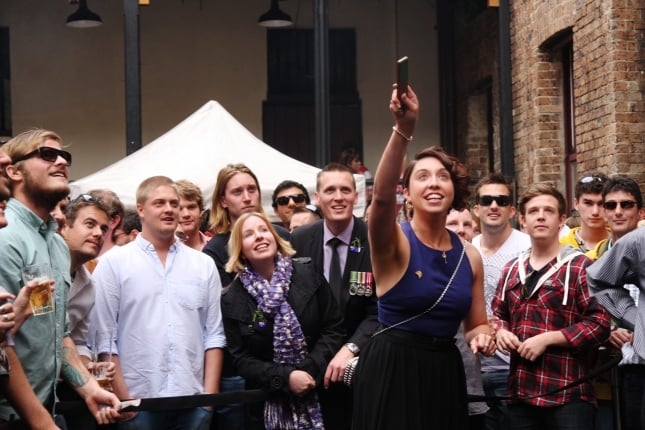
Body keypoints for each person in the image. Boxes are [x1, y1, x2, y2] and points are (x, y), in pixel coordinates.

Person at [351, 84, 494, 430]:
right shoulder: (394, 241)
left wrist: (483, 337)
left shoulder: (470, 256)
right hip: (393, 368)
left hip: (445, 371)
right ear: (408, 192)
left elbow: (476, 324)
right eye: (422, 176)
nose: (433, 183)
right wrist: (403, 130)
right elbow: (382, 201)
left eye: (443, 177)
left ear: (453, 191)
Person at [0, 129, 120, 428]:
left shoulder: (55, 243)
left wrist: (90, 389)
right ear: (14, 171)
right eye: (47, 154)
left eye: (64, 156)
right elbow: (2, 344)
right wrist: (41, 422)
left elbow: (56, 329)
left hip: (44, 408)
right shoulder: (6, 233)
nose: (61, 162)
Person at [91, 176, 225, 430]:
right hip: (138, 405)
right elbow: (103, 337)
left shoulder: (202, 264)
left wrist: (209, 400)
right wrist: (126, 401)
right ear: (140, 210)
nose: (169, 209)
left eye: (174, 203)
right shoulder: (114, 263)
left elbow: (214, 335)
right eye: (159, 203)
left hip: (192, 401)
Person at [491, 182, 611, 429]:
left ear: (562, 219)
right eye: (534, 211)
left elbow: (600, 323)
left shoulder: (582, 267)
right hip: (521, 393)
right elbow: (498, 313)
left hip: (569, 394)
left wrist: (549, 339)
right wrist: (501, 331)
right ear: (522, 221)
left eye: (549, 210)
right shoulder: (511, 269)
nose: (541, 216)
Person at [221, 212, 345, 429]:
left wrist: (307, 370)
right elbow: (240, 359)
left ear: (274, 236)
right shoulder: (232, 298)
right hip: (267, 403)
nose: (259, 237)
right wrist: (286, 378)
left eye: (263, 229)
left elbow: (333, 328)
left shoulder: (307, 271)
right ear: (240, 248)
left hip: (321, 391)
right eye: (248, 234)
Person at [290, 162, 379, 430]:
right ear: (317, 198)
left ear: (356, 196)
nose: (338, 197)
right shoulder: (300, 240)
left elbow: (381, 310)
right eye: (330, 190)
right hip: (312, 369)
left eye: (345, 190)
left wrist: (351, 348)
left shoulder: (375, 239)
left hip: (362, 368)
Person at [202, 163, 289, 430]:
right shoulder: (215, 251)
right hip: (239, 369)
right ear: (223, 201)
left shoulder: (281, 237)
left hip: (288, 361)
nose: (247, 196)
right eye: (237, 191)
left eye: (252, 189)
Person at [471, 172, 531, 430]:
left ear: (512, 210)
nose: (493, 206)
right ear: (476, 209)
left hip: (515, 366)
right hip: (474, 369)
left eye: (501, 200)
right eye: (486, 200)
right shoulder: (467, 248)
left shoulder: (527, 247)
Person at [587, 175, 644, 430]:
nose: (618, 212)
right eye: (611, 205)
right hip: (618, 368)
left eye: (627, 205)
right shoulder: (589, 259)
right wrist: (609, 330)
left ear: (640, 211)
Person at [58, 193, 111, 429]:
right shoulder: (41, 267)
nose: (99, 233)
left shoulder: (89, 285)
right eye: (90, 224)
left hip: (63, 387)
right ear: (64, 226)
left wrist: (87, 365)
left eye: (103, 228)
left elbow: (77, 340)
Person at [445, 209, 489, 430]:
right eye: (453, 223)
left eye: (467, 224)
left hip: (468, 375)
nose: (461, 229)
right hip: (427, 375)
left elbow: (477, 324)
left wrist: (484, 335)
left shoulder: (473, 260)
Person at [560, 173, 609, 252]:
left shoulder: (622, 243)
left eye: (601, 204)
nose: (595, 212)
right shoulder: (561, 246)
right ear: (576, 204)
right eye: (588, 203)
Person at [175, 179, 210, 250]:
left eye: (191, 207)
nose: (186, 214)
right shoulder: (160, 252)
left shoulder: (216, 246)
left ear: (200, 211)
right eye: (179, 209)